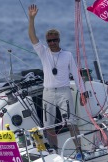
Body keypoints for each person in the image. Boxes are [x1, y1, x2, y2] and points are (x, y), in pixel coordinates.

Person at [28, 4, 86, 154]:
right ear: (47, 42)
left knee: (71, 122)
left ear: (59, 40)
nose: (52, 43)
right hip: (48, 93)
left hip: (63, 92)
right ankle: (54, 152)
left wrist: (82, 92)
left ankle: (79, 150)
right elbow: (32, 37)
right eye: (49, 41)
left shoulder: (67, 55)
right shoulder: (43, 52)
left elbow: (76, 73)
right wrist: (31, 19)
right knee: (48, 125)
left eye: (55, 40)